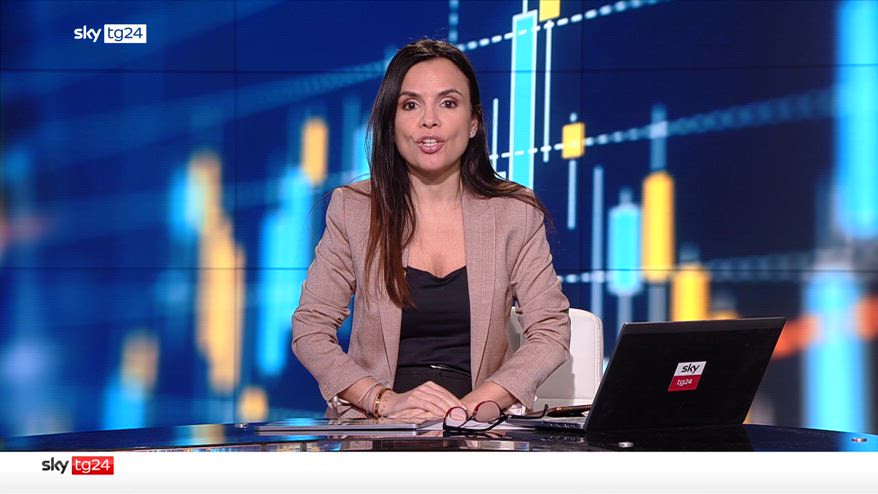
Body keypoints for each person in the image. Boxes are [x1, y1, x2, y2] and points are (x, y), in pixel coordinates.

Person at [292, 39, 571, 422]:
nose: (429, 120)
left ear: (473, 122)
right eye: (411, 105)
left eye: (448, 103)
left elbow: (550, 330)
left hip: (478, 427)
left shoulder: (514, 212)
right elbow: (310, 328)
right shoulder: (355, 209)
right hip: (377, 428)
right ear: (391, 122)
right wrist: (382, 401)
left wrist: (471, 407)